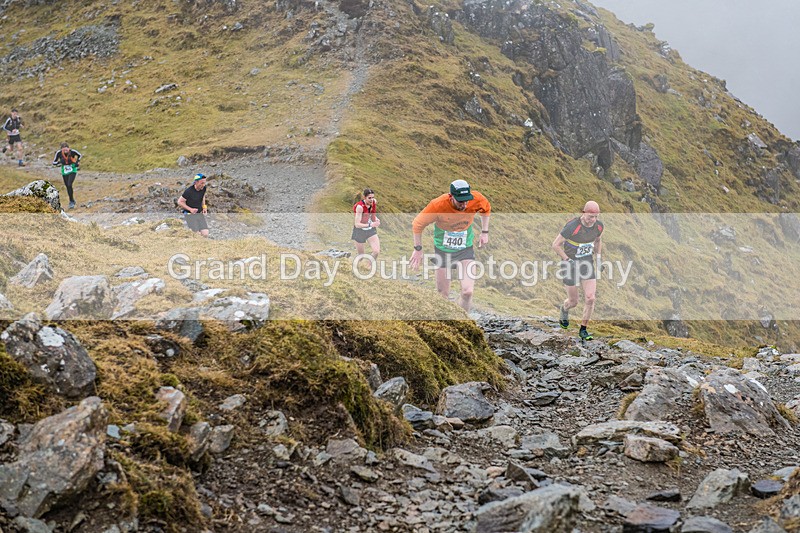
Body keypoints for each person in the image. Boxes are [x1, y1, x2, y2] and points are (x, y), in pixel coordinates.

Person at [410, 179, 491, 311]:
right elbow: (417, 224)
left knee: (467, 292)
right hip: (443, 251)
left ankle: (462, 319)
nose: (464, 204)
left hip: (465, 249)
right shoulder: (437, 205)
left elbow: (486, 208)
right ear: (451, 196)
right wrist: (418, 249)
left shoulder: (476, 198)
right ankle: (444, 320)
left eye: (466, 200)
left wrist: (485, 232)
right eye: (460, 201)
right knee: (443, 295)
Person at [552, 200, 604, 341]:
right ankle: (564, 309)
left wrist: (599, 259)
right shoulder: (572, 226)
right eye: (590, 217)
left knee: (590, 298)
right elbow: (555, 245)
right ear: (583, 213)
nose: (592, 220)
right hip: (569, 265)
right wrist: (567, 259)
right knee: (573, 301)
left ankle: (583, 330)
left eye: (596, 217)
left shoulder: (599, 226)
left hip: (586, 263)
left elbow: (598, 241)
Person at [351, 188, 380, 268]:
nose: (371, 200)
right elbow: (357, 224)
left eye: (373, 197)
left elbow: (370, 214)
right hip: (359, 231)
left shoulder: (374, 202)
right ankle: (354, 267)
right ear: (364, 197)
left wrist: (376, 219)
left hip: (370, 230)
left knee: (376, 251)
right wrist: (371, 224)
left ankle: (368, 267)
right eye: (369, 198)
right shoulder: (359, 207)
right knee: (361, 256)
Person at [52, 142, 82, 209]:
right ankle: (71, 200)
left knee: (69, 184)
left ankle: (71, 201)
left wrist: (77, 162)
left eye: (66, 148)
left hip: (72, 169)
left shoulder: (72, 152)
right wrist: (59, 162)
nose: (65, 150)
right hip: (64, 171)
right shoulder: (59, 153)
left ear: (68, 148)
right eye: (63, 149)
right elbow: (54, 162)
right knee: (67, 186)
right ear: (61, 149)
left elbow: (80, 155)